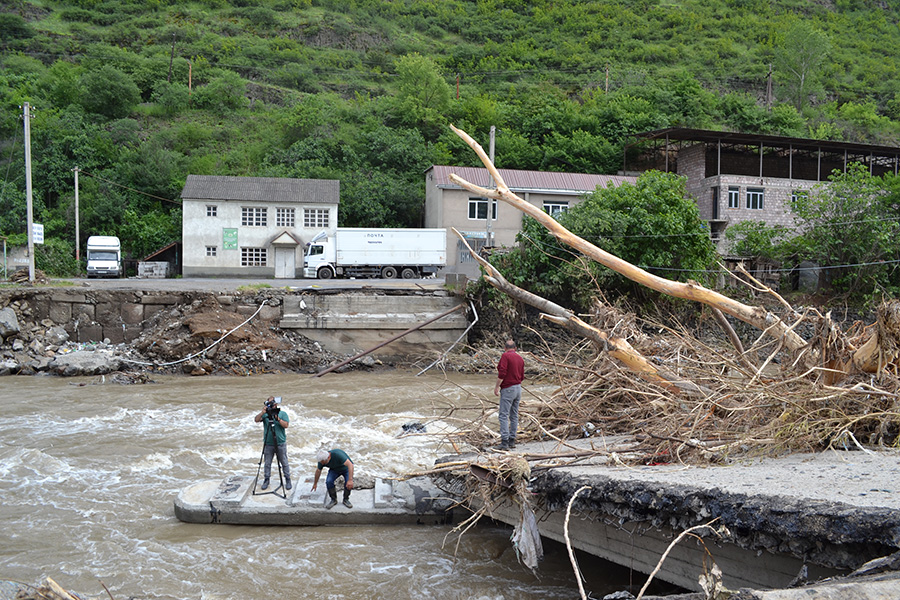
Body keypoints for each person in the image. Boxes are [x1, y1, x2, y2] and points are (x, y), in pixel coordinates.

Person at [254, 396, 292, 491]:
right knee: (267, 463)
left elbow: (286, 425)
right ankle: (266, 480)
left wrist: (278, 419)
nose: (272, 405)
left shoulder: (282, 413)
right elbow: (256, 420)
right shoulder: (265, 414)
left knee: (284, 462)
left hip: (280, 442)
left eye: (273, 403)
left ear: (276, 404)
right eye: (270, 403)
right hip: (268, 443)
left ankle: (287, 479)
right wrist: (263, 412)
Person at [493, 339, 524, 450]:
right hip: (518, 388)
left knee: (503, 415)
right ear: (515, 348)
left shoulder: (505, 356)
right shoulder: (520, 358)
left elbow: (502, 373)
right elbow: (522, 375)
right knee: (514, 415)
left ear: (505, 348)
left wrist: (497, 387)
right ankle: (512, 440)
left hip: (508, 389)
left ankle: (504, 442)